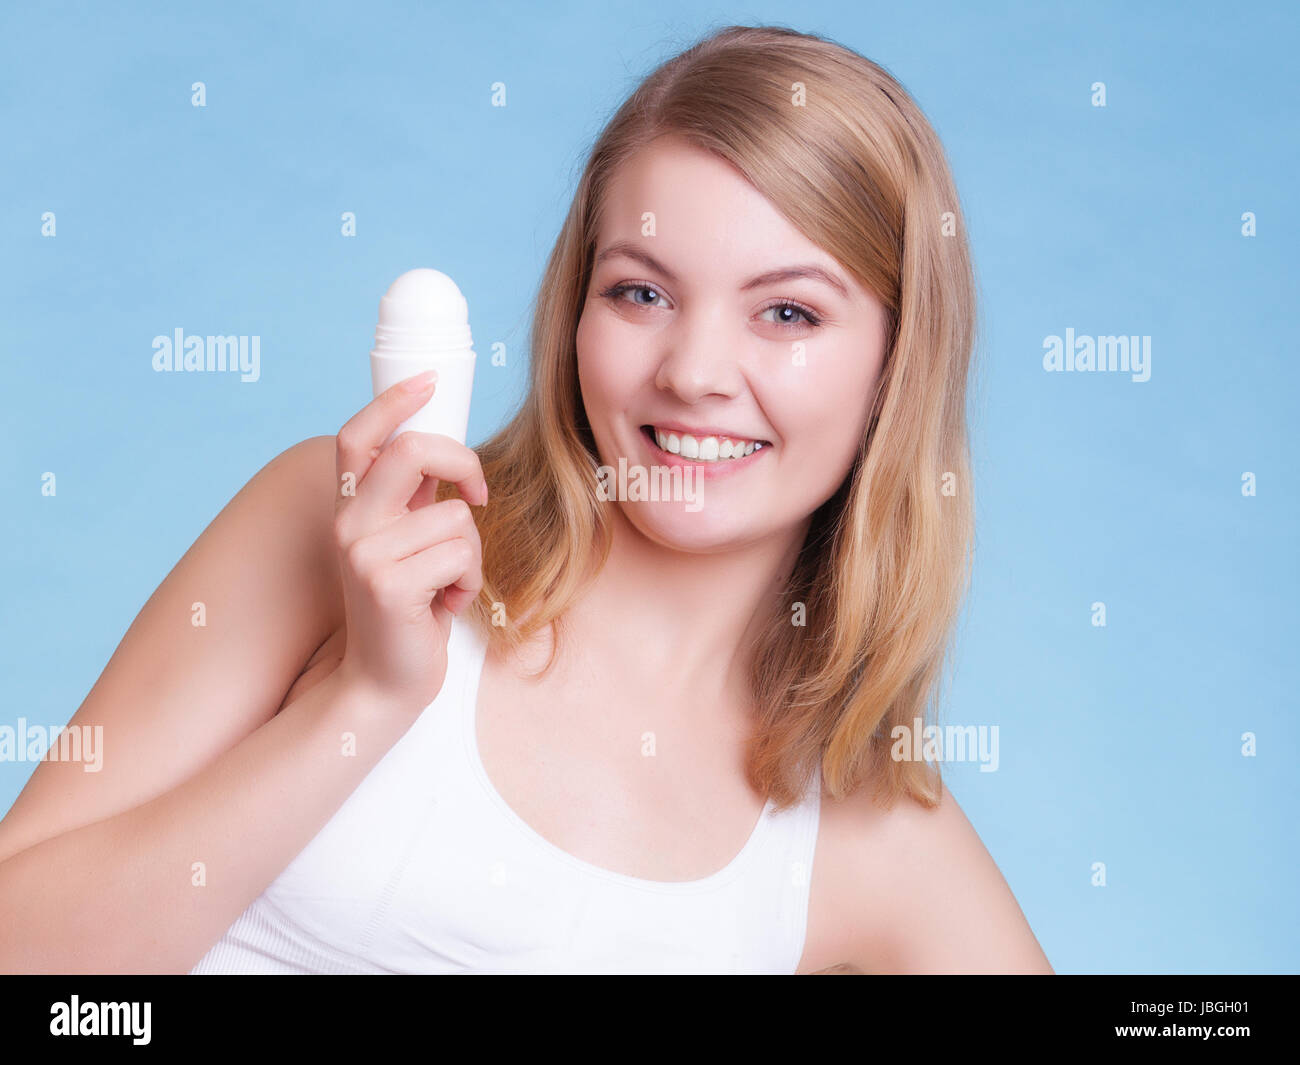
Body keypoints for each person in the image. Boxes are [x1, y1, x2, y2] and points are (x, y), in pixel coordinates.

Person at [0, 24, 1052, 974]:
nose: (693, 372)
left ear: (894, 366)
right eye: (641, 292)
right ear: (575, 308)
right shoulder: (342, 527)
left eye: (785, 312)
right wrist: (363, 701)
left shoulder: (870, 835)